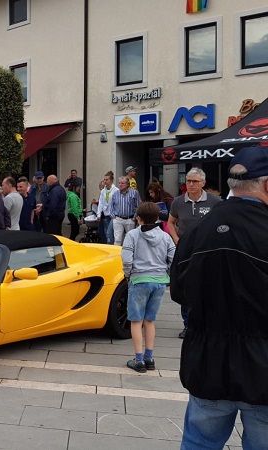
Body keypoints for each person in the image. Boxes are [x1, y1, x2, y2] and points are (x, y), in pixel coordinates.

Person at [170, 146, 268, 449]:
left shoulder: (199, 228)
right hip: (262, 368)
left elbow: (178, 291)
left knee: (199, 443)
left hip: (207, 362)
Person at [166, 167, 221, 339]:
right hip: (186, 252)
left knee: (208, 287)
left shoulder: (215, 201)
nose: (190, 184)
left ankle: (207, 323)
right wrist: (176, 240)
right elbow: (170, 222)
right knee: (186, 287)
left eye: (195, 181)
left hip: (208, 251)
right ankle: (188, 325)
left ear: (203, 183)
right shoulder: (178, 202)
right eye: (188, 181)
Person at [122, 202, 175, 374]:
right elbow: (173, 258)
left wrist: (128, 274)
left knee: (136, 321)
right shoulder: (165, 236)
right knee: (150, 320)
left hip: (139, 280)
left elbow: (127, 259)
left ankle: (138, 360)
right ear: (158, 218)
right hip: (159, 281)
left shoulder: (132, 235)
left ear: (139, 218)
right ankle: (149, 358)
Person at [109, 176, 140, 245]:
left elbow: (137, 206)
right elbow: (112, 206)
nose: (120, 185)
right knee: (117, 240)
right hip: (118, 219)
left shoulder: (134, 193)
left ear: (127, 184)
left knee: (130, 239)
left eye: (122, 183)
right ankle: (117, 254)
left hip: (130, 219)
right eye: (119, 183)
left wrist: (135, 217)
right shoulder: (115, 194)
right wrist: (113, 217)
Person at [94, 171, 118, 244]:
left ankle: (112, 246)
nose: (105, 181)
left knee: (109, 232)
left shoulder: (116, 190)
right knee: (105, 232)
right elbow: (101, 203)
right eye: (104, 179)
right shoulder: (103, 191)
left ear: (111, 180)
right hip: (105, 214)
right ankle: (109, 245)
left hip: (113, 215)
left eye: (107, 180)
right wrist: (99, 214)